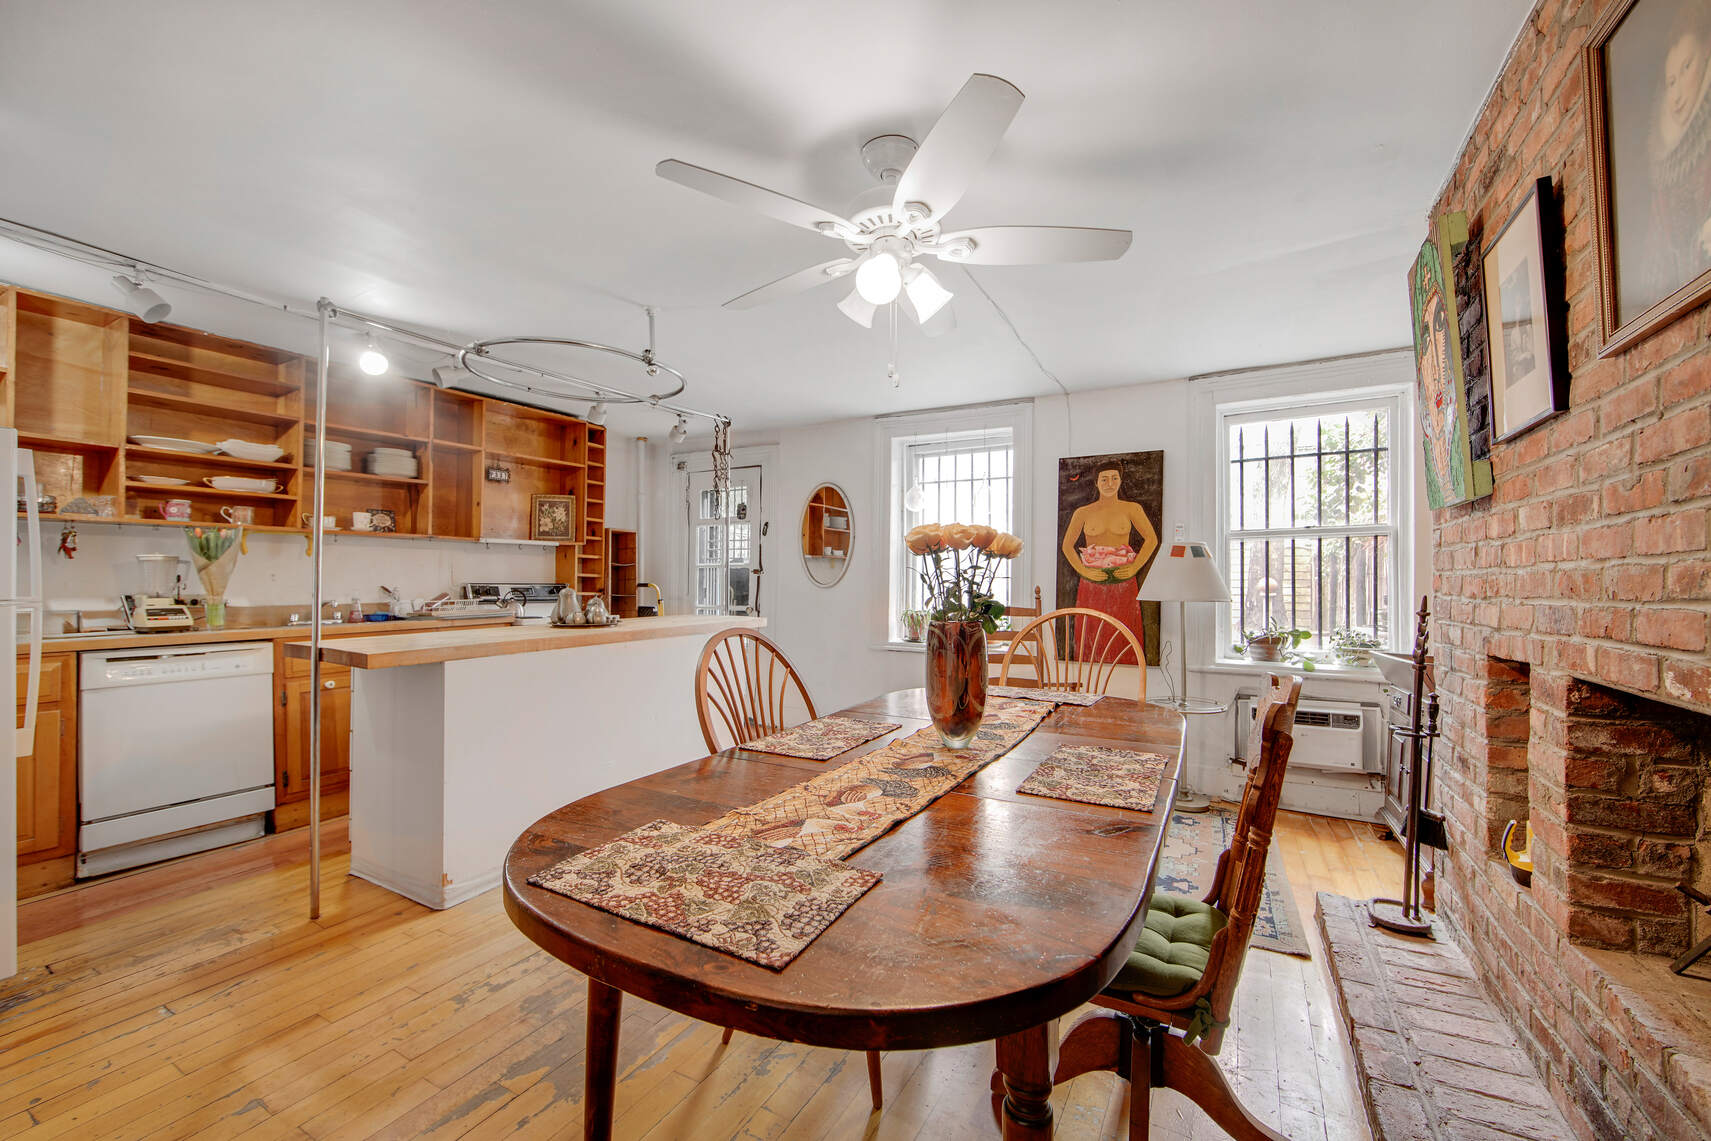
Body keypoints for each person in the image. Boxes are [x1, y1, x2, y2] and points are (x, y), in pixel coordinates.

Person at [1633, 0, 1711, 317]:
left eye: (1687, 67)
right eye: (1671, 81)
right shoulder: (1663, 170)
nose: (1676, 94)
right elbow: (1652, 274)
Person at [1060, 465, 1159, 665]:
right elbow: (1067, 546)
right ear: (1097, 483)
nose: (1109, 483)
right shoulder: (1083, 512)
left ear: (1120, 481)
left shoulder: (1131, 508)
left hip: (1124, 582)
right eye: (1104, 479)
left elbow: (1151, 539)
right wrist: (1083, 570)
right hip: (1091, 583)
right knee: (1091, 633)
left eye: (1114, 478)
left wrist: (1134, 568)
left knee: (1124, 634)